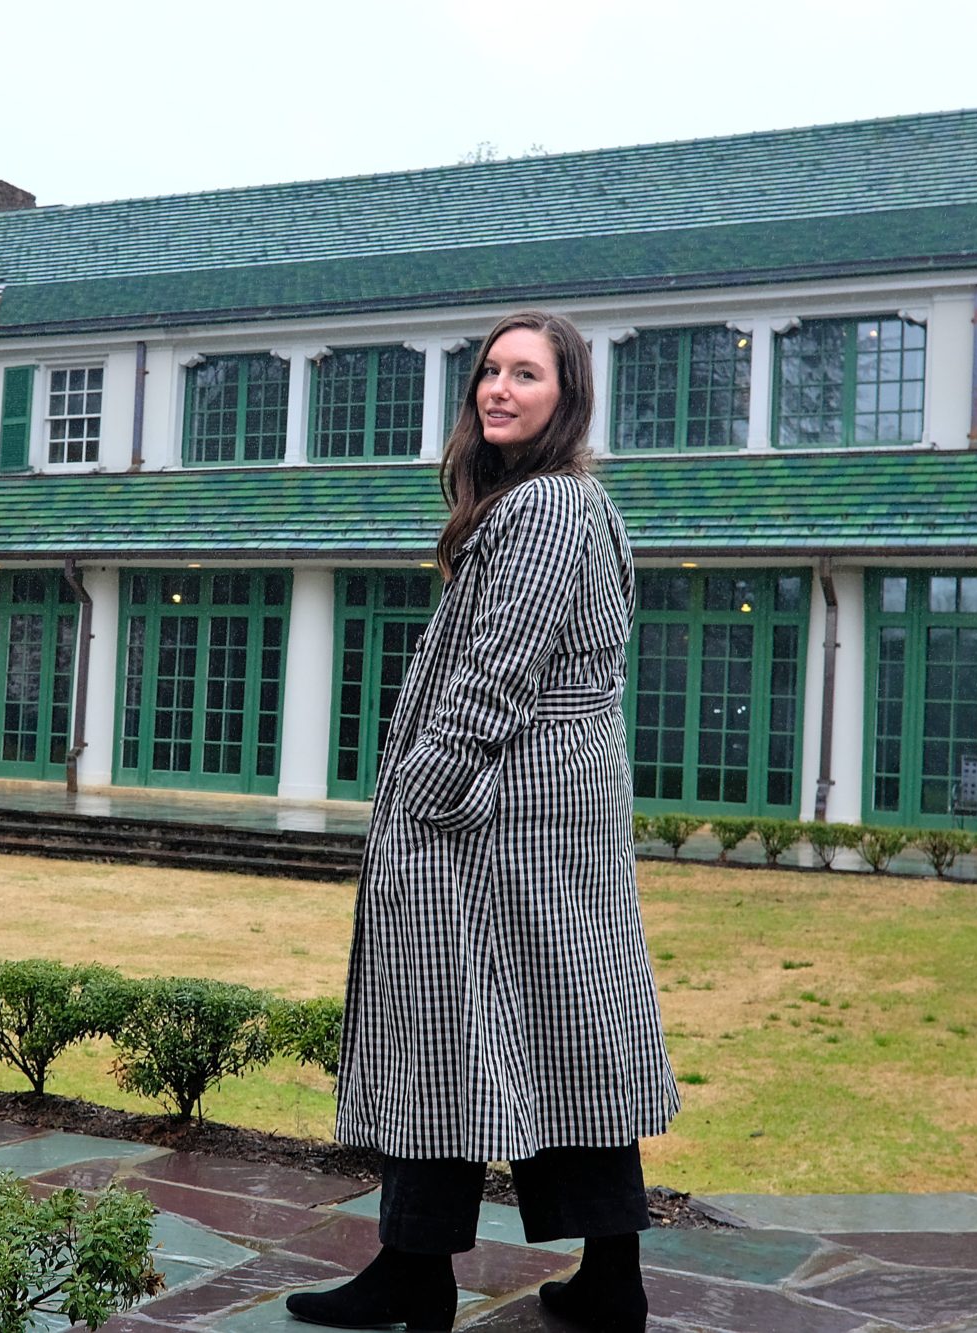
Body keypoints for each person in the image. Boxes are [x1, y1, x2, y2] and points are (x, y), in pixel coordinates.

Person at [287, 310, 679, 1332]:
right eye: (488, 373)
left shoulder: (546, 506)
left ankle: (464, 1273)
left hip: (503, 806)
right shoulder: (546, 499)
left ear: (567, 394)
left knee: (475, 1021)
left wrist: (428, 789)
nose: (497, 390)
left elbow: (500, 667)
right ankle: (502, 1271)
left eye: (525, 374)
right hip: (533, 801)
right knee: (529, 1023)